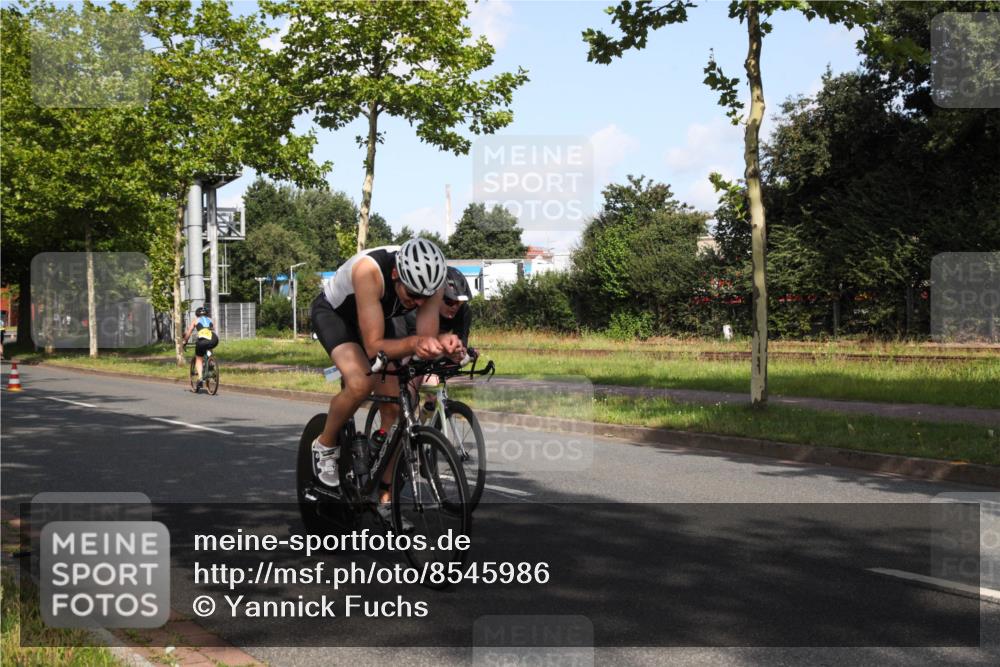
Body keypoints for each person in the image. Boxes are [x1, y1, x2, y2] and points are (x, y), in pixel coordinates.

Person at [309, 238, 462, 523]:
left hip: (379, 318)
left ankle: (385, 497)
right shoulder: (369, 271)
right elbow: (373, 347)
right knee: (360, 383)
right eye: (413, 294)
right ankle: (325, 444)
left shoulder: (431, 284)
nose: (419, 303)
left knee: (398, 407)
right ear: (395, 275)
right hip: (337, 317)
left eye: (425, 298)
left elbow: (424, 340)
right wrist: (416, 343)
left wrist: (444, 346)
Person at [391, 266, 474, 412]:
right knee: (413, 385)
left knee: (434, 396)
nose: (455, 307)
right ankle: (404, 419)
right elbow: (415, 348)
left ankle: (428, 413)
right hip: (407, 342)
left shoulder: (464, 312)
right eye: (449, 301)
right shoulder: (416, 310)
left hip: (433, 350)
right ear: (437, 297)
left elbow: (461, 344)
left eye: (459, 303)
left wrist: (464, 353)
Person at [182, 306, 219, 390]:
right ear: (207, 313)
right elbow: (212, 329)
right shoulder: (211, 320)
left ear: (197, 314)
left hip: (202, 341)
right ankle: (211, 364)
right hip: (214, 339)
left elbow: (189, 332)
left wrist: (185, 341)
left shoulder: (196, 320)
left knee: (198, 358)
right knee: (209, 347)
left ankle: (200, 378)